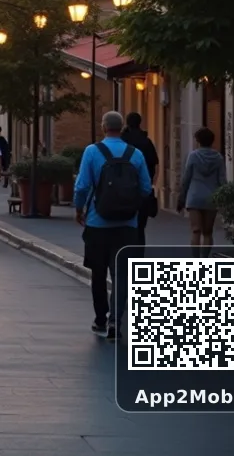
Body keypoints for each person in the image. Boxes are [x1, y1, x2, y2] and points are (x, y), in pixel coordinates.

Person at [74, 110, 152, 340]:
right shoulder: (135, 154)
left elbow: (81, 186)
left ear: (103, 127)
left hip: (98, 223)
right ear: (121, 128)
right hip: (128, 225)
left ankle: (100, 318)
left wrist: (79, 210)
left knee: (98, 273)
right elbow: (146, 188)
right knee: (121, 275)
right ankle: (115, 321)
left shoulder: (92, 152)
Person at [178, 127, 226, 246]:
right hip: (211, 198)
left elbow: (186, 178)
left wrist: (181, 198)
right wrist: (225, 199)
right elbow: (222, 180)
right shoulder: (218, 158)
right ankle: (205, 260)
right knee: (208, 233)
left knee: (196, 230)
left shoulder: (193, 156)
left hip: (194, 197)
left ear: (198, 141)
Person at [122, 111, 159, 245]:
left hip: (123, 190)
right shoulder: (146, 142)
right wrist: (151, 184)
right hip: (142, 190)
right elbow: (154, 164)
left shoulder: (122, 141)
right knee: (140, 228)